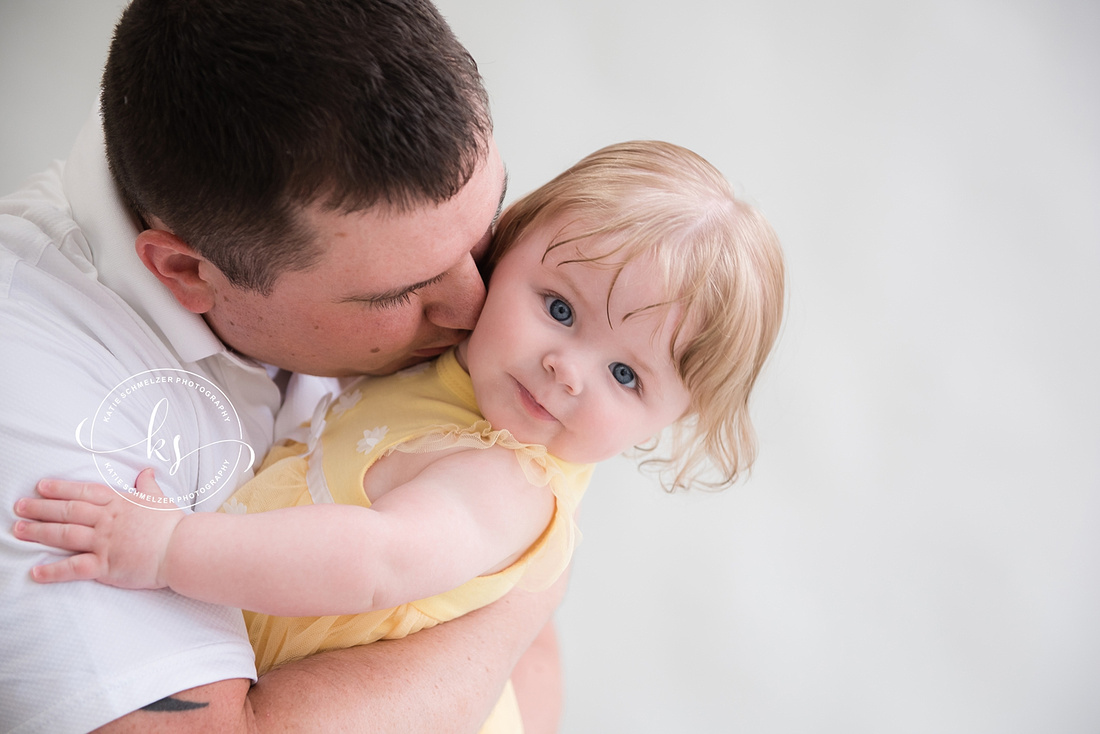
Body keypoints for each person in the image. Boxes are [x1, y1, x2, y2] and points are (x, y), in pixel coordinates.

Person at [13, 140, 787, 733]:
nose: (569, 371)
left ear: (668, 418)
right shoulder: (451, 376)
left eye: (627, 377)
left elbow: (371, 561)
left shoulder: (500, 480)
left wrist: (167, 551)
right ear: (502, 253)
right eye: (558, 308)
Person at [0, 1, 565, 732]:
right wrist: (532, 563)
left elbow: (534, 674)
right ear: (186, 270)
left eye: (486, 227)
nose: (476, 307)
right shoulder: (29, 384)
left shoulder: (405, 297)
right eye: (398, 293)